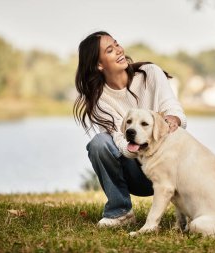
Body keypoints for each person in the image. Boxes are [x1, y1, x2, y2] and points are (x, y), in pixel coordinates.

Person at [74, 31, 187, 227]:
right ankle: (120, 212)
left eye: (116, 44)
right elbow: (118, 139)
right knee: (98, 144)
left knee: (183, 143)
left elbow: (172, 106)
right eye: (110, 50)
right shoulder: (100, 102)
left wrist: (172, 119)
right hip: (136, 173)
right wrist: (135, 147)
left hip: (167, 166)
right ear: (99, 65)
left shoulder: (150, 73)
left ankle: (189, 211)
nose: (119, 50)